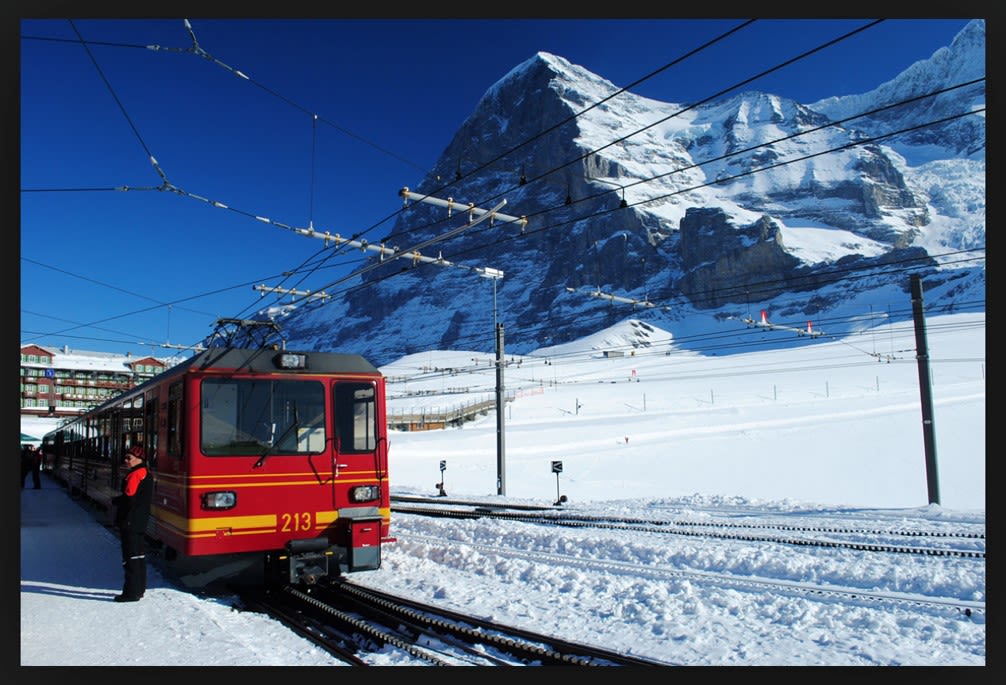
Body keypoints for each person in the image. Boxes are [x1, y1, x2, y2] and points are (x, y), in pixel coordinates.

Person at [111, 445, 153, 602]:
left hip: (130, 521)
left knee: (130, 558)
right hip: (140, 521)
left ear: (139, 459)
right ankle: (139, 589)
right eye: (126, 457)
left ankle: (131, 592)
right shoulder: (146, 473)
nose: (126, 460)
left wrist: (115, 500)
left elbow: (129, 497)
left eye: (129, 458)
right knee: (139, 556)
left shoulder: (136, 474)